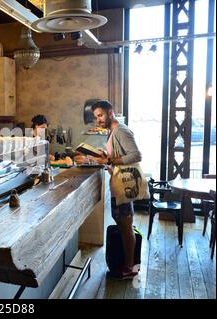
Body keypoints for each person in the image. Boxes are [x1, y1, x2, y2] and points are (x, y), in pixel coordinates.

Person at [76, 100, 142, 279]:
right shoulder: (112, 132)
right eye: (96, 116)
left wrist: (110, 161)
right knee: (123, 225)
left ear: (110, 112)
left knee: (126, 226)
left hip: (125, 185)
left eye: (100, 115)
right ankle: (128, 264)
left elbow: (136, 154)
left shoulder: (121, 130)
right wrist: (104, 157)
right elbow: (118, 156)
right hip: (119, 183)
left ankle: (130, 268)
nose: (98, 119)